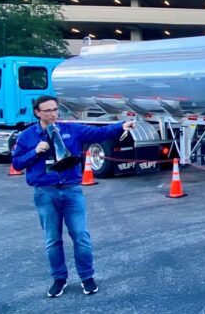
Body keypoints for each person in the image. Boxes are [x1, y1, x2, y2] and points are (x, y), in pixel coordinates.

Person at [11, 95, 136, 298]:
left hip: (71, 191)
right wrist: (35, 151)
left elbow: (99, 133)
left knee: (81, 236)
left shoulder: (71, 129)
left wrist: (122, 125)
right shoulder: (27, 136)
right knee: (52, 239)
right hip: (45, 193)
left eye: (55, 109)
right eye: (47, 110)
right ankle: (59, 279)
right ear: (37, 112)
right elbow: (17, 164)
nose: (53, 114)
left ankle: (87, 277)